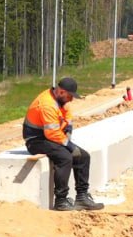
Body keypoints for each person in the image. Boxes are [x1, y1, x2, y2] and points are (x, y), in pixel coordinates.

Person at [23, 76, 103, 211]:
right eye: (70, 96)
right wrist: (69, 145)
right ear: (60, 92)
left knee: (83, 156)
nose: (71, 99)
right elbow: (52, 132)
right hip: (36, 141)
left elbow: (67, 117)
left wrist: (68, 131)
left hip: (50, 138)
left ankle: (82, 197)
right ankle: (61, 200)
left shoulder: (61, 101)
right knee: (65, 158)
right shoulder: (47, 104)